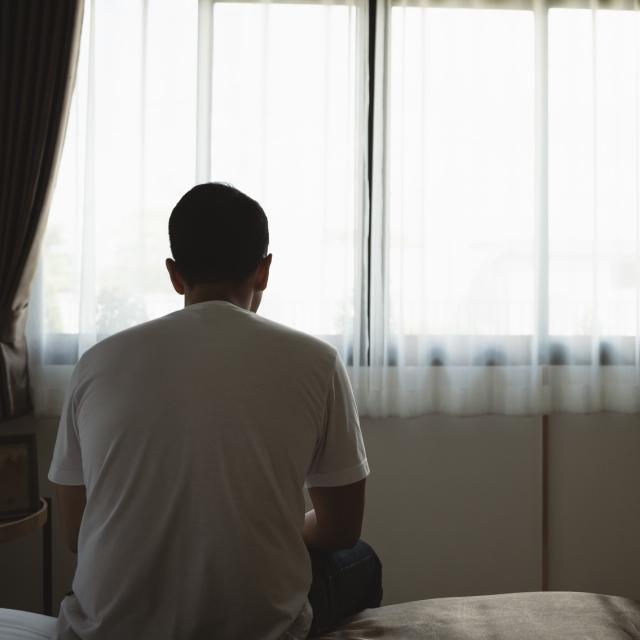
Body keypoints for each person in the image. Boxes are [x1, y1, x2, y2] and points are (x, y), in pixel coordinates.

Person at [49, 182, 382, 639]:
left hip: (105, 630)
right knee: (362, 560)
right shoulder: (315, 362)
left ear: (174, 274)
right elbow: (341, 528)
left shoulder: (97, 363)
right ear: (264, 270)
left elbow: (75, 534)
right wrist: (264, 535)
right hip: (257, 628)